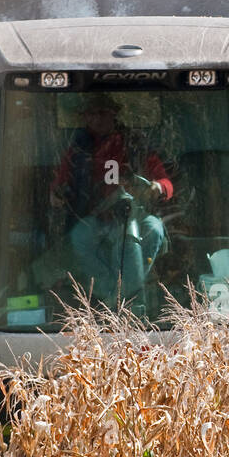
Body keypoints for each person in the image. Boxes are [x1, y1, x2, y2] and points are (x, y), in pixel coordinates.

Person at [51, 95, 174, 308]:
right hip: (95, 219)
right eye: (92, 113)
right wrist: (56, 194)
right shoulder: (78, 149)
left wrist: (157, 187)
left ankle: (118, 298)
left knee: (154, 228)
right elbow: (58, 184)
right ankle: (118, 293)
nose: (98, 118)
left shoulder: (135, 143)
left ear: (113, 114)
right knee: (79, 236)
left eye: (103, 113)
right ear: (85, 118)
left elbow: (165, 182)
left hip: (135, 216)